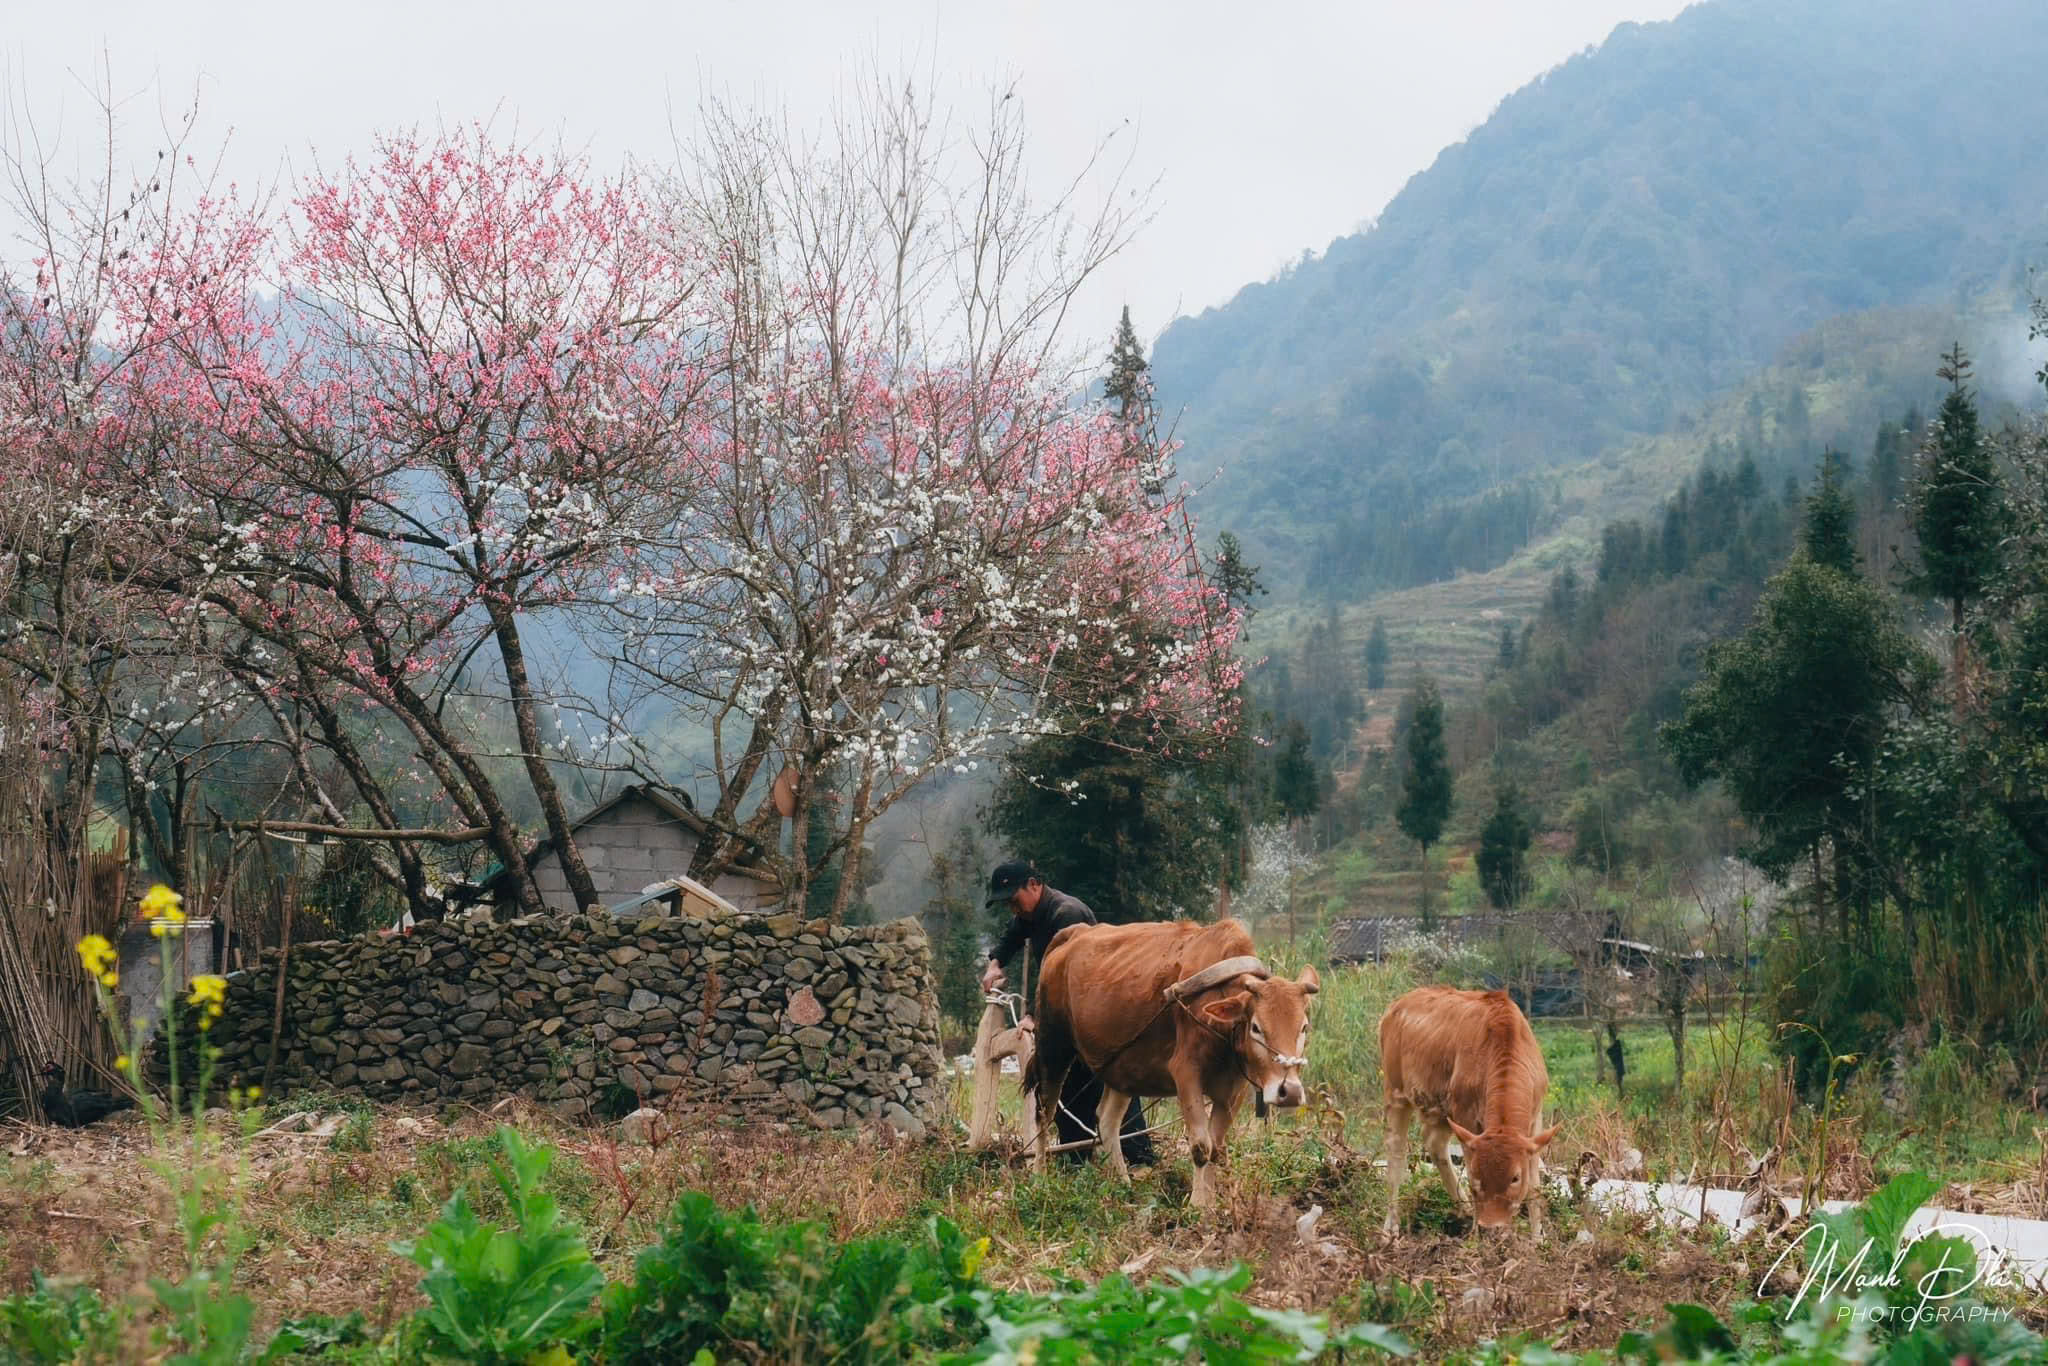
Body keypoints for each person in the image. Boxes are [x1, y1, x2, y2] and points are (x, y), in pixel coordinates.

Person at [981, 858, 1155, 1167]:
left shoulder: (1068, 914)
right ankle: (1076, 1162)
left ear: (1033, 885)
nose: (1012, 908)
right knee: (1065, 1084)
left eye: (1013, 900)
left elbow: (1061, 976)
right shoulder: (1031, 913)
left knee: (1110, 1079)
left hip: (1091, 1011)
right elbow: (1012, 935)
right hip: (1066, 1014)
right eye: (1007, 904)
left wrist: (1034, 1017)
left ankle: (1138, 1158)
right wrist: (995, 963)